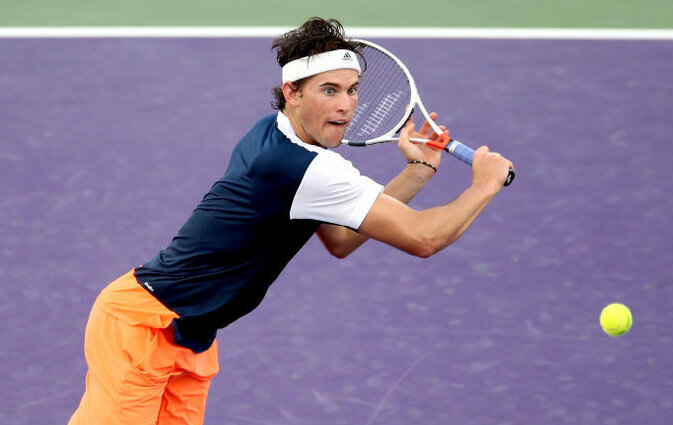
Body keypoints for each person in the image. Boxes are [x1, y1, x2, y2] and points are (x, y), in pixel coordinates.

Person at [68, 17, 514, 425]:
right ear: (292, 92)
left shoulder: (272, 131)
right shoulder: (310, 169)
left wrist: (420, 170)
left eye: (353, 88)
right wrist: (485, 184)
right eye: (329, 90)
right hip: (143, 326)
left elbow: (340, 238)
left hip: (189, 336)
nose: (346, 105)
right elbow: (425, 238)